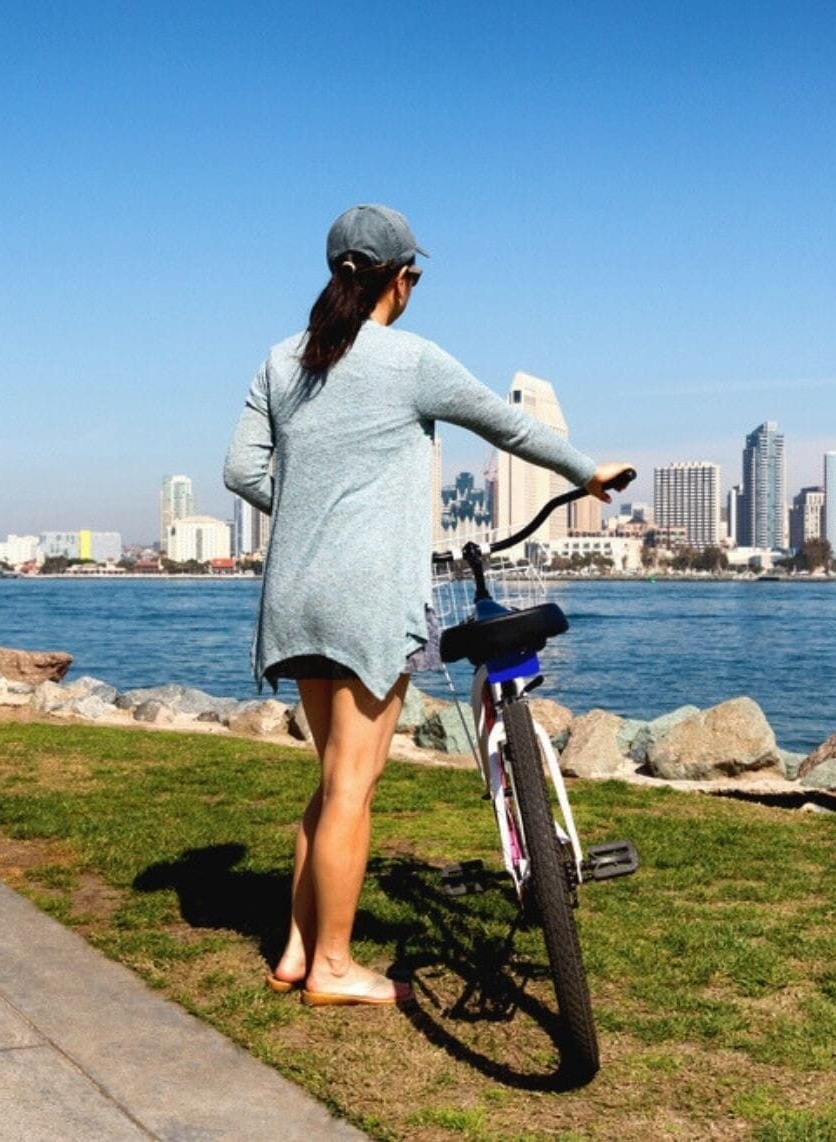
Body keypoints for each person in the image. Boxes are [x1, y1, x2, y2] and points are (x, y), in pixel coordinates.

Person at [223, 204, 628, 1006]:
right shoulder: (409, 359)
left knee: (333, 777)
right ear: (401, 280)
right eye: (414, 276)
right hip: (371, 597)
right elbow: (507, 423)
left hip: (296, 597)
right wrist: (587, 473)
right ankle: (335, 969)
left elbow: (241, 472)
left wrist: (308, 506)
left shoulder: (281, 361)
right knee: (352, 785)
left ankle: (300, 949)